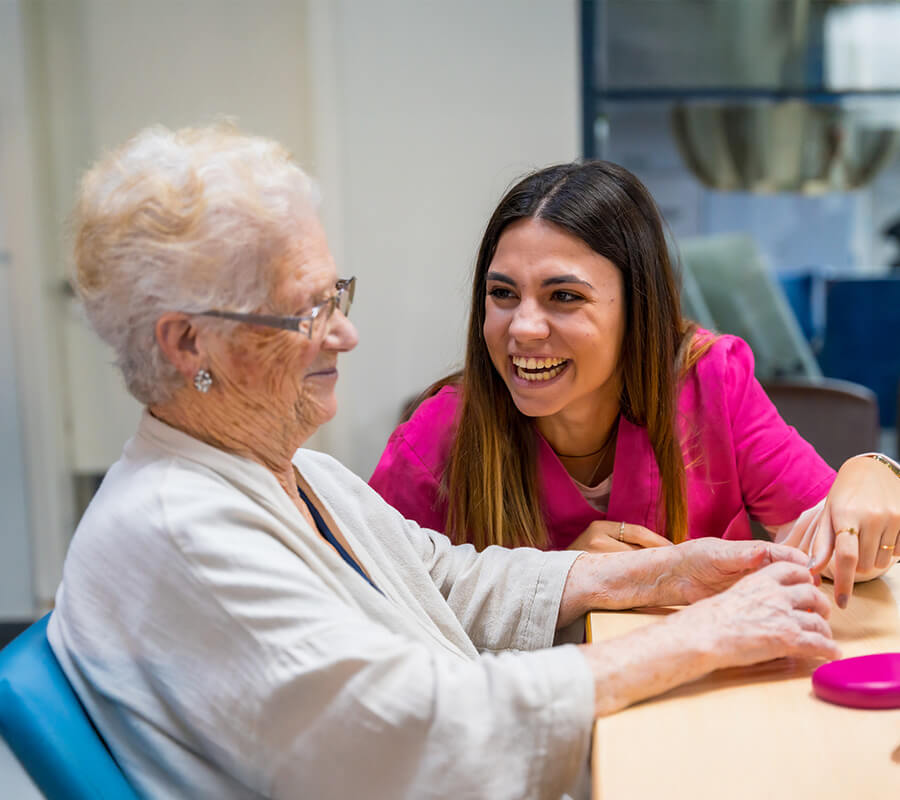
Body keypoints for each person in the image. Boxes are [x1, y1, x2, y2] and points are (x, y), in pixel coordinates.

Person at [47, 125, 840, 800]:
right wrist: (698, 636)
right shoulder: (186, 534)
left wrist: (660, 576)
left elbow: (437, 576)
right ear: (189, 344)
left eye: (338, 297)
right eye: (306, 311)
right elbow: (417, 727)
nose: (344, 335)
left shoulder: (289, 473)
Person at [369, 161, 900, 610]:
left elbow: (833, 551)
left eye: (564, 297)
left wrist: (874, 475)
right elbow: (365, 608)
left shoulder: (710, 382)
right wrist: (560, 584)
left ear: (637, 309)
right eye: (503, 293)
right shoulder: (438, 438)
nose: (523, 327)